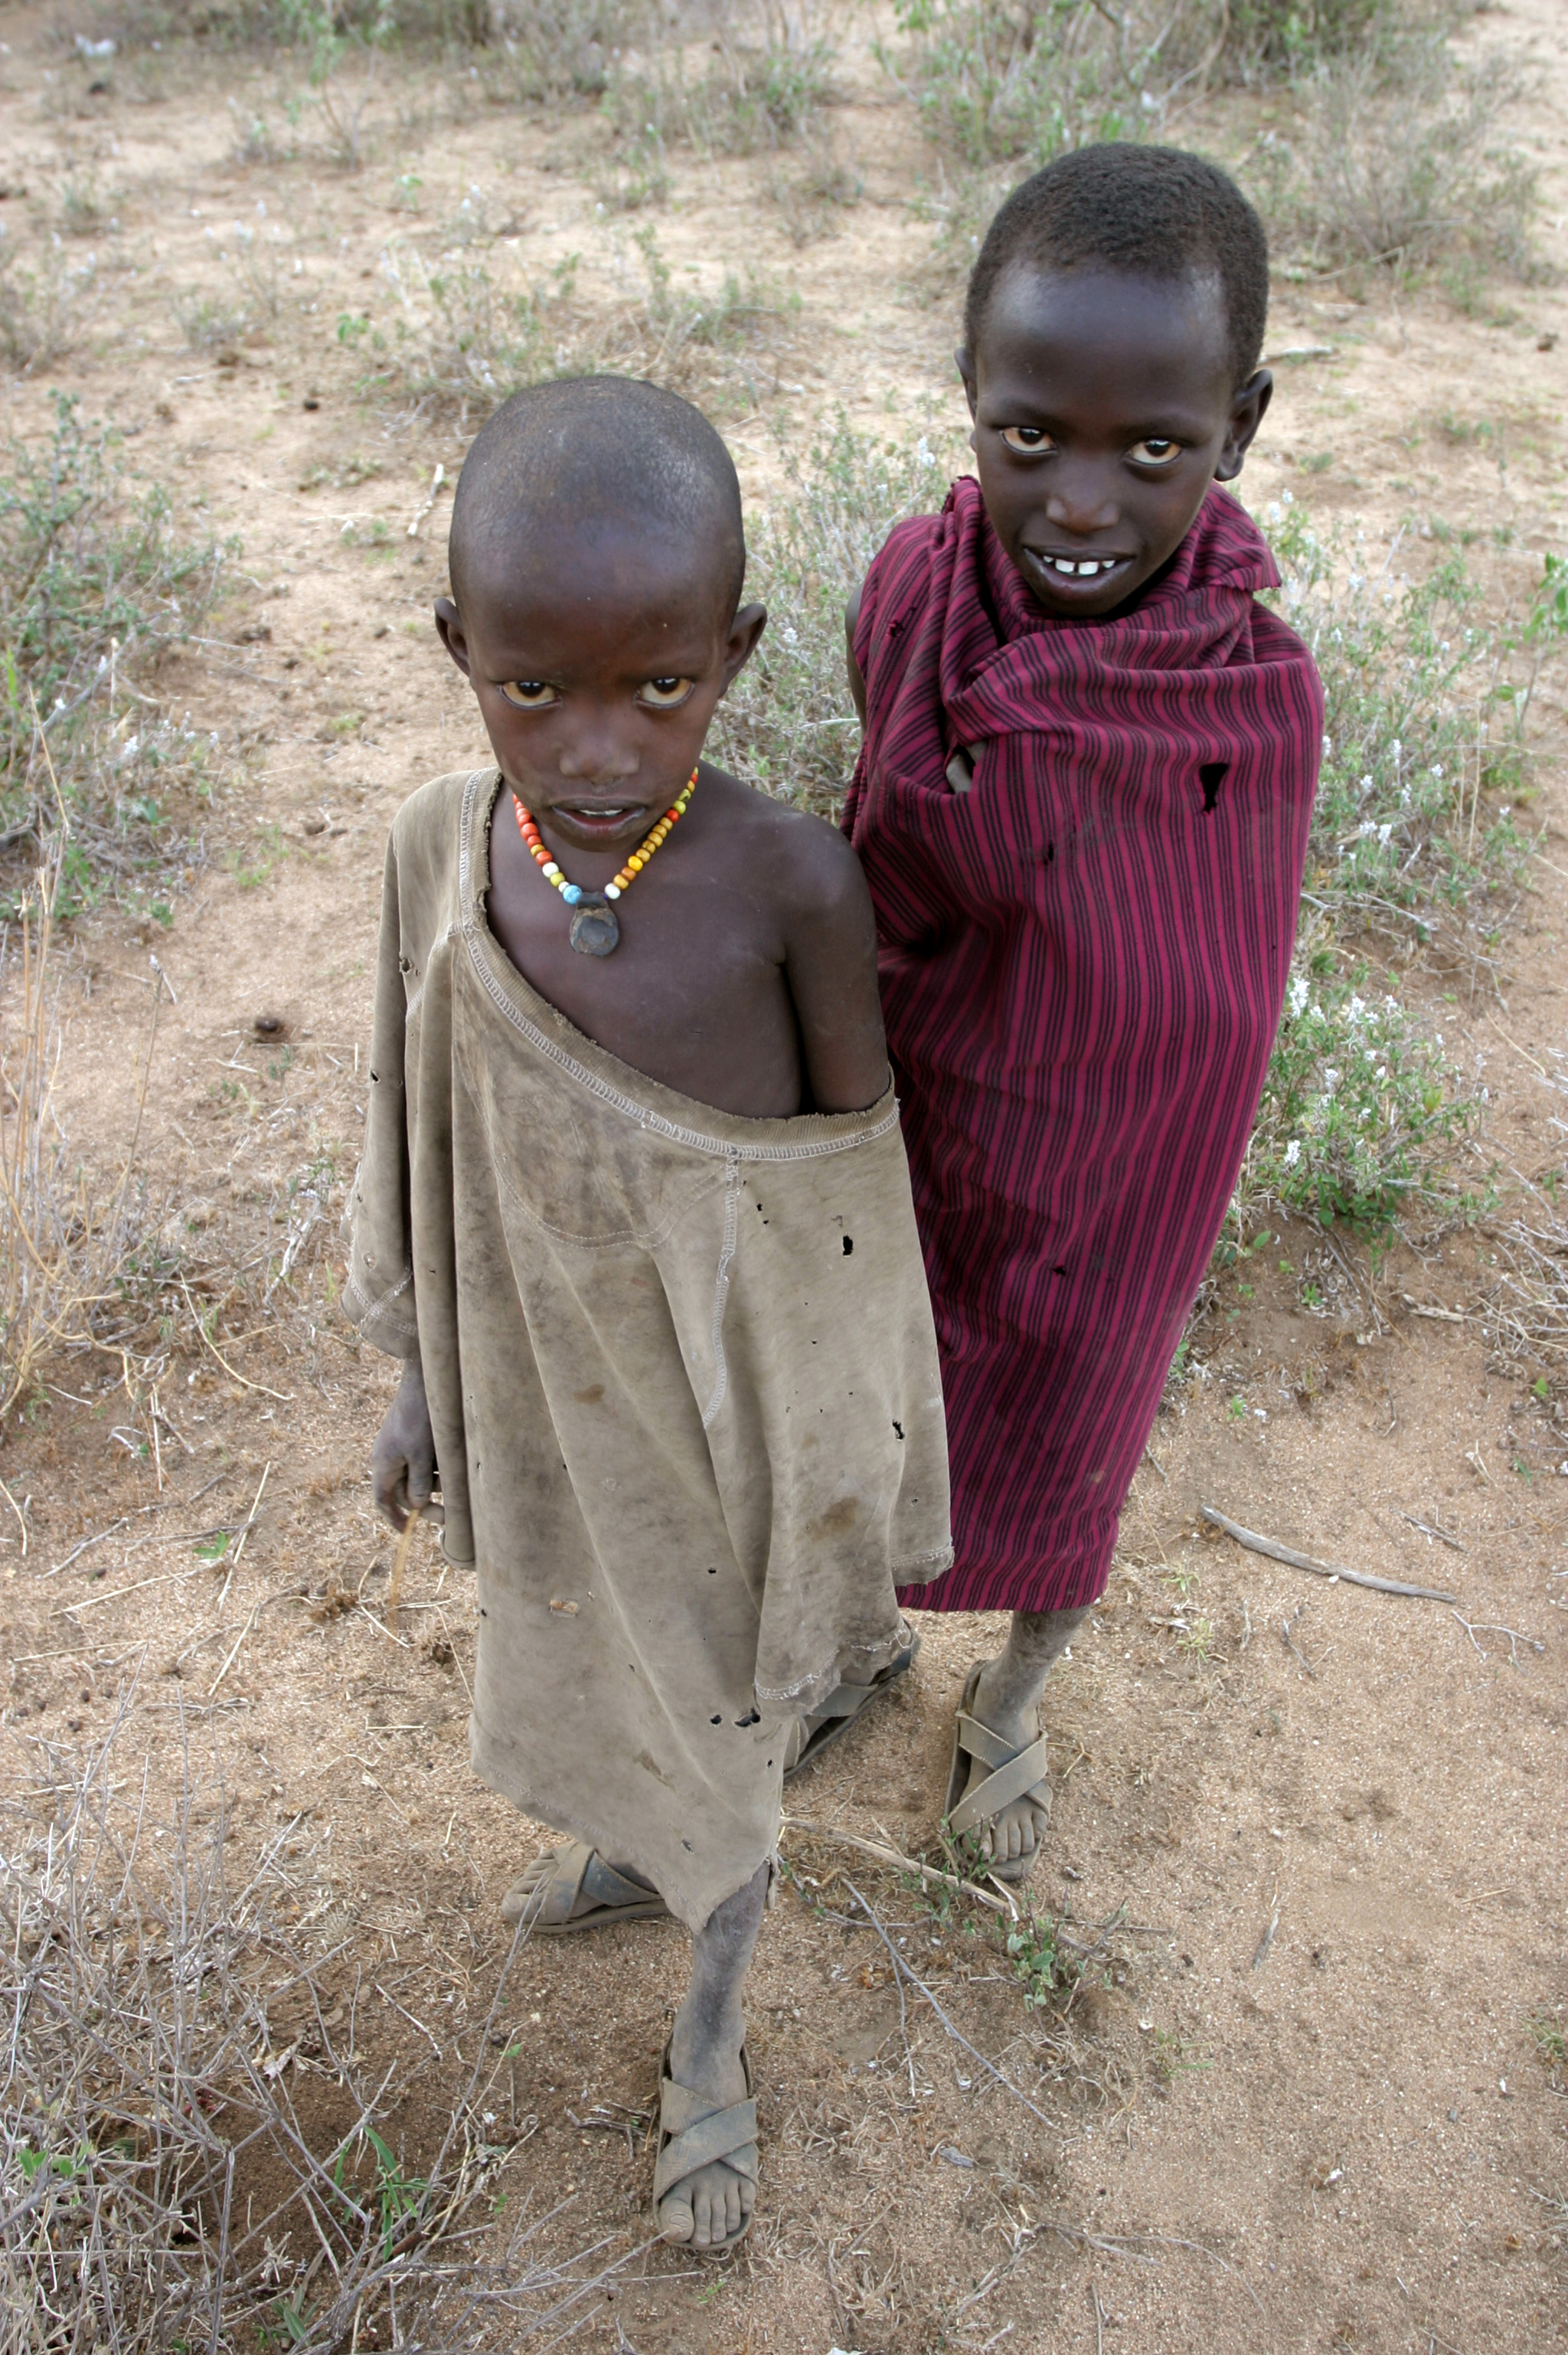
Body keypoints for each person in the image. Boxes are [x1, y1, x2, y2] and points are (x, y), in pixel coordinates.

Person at [343, 375, 950, 2255]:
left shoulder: (789, 883)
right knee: (592, 1656)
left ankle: (709, 2035)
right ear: (458, 647)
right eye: (533, 687)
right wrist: (421, 1377)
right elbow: (411, 1119)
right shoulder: (443, 852)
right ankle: (631, 1836)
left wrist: (841, 1451)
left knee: (730, 1714)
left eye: (658, 686)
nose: (595, 746)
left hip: (725, 1414)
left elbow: (843, 1195)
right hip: (543, 1394)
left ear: (734, 653)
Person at [828, 143, 1323, 1883]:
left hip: (1114, 1171)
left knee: (1068, 1431)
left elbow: (1216, 991)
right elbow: (874, 814)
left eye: (1153, 449)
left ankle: (1018, 1689)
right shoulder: (914, 585)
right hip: (894, 1107)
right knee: (859, 1398)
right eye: (1031, 434)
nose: (1084, 501)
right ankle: (858, 1646)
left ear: (1237, 427)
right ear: (969, 392)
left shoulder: (1246, 703)